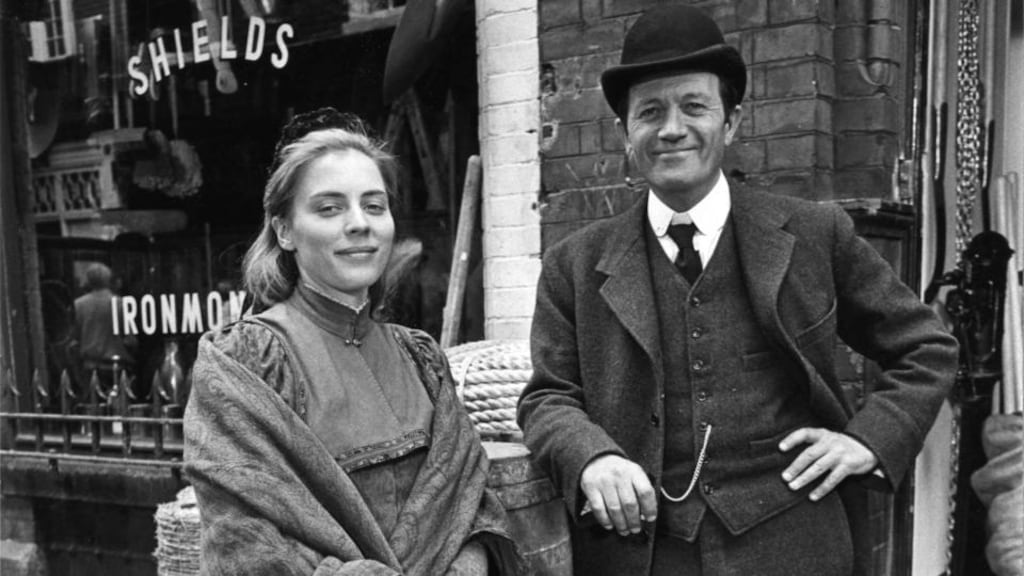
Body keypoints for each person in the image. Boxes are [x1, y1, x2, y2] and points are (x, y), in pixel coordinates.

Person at [517, 5, 959, 576]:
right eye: (649, 112)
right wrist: (589, 457)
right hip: (641, 552)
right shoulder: (572, 264)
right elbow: (546, 398)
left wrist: (870, 440)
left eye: (694, 106)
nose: (671, 128)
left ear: (731, 123)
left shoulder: (813, 235)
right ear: (626, 133)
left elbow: (926, 346)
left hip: (794, 544)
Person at [184, 110, 524, 576]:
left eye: (374, 205)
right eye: (329, 208)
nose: (359, 223)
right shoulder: (246, 362)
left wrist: (468, 565)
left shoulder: (421, 359)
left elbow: (470, 503)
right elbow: (245, 539)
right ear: (285, 231)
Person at [73, 262, 135, 386]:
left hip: (90, 366)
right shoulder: (120, 303)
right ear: (108, 279)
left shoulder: (78, 304)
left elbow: (76, 337)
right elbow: (130, 340)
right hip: (116, 365)